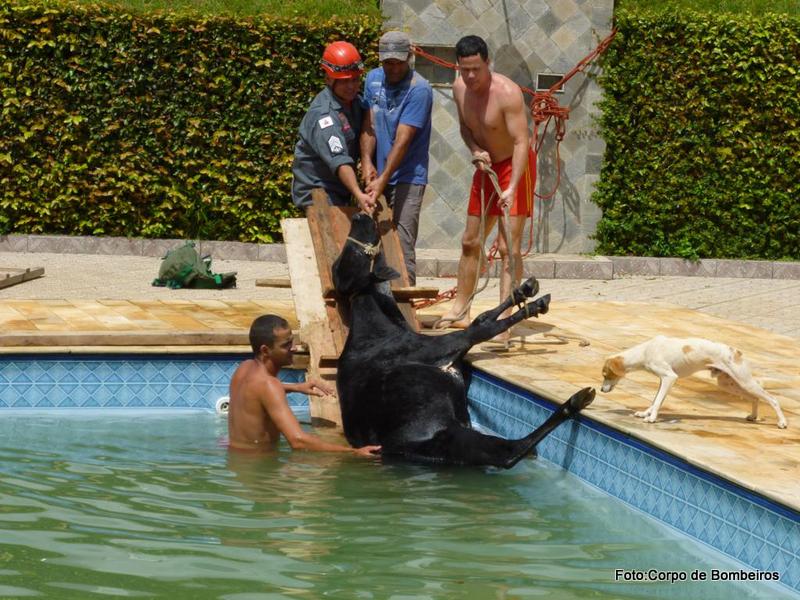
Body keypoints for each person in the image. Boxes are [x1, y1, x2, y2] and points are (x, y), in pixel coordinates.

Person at [436, 35, 534, 339]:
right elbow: (466, 129)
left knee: (508, 248)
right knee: (470, 240)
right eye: (464, 69)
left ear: (487, 63)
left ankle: (505, 316)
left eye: (476, 69)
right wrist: (474, 149)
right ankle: (460, 308)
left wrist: (512, 187)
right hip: (486, 165)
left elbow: (522, 141)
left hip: (515, 167)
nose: (470, 76)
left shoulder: (507, 93)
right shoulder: (459, 89)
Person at [228, 314, 381, 456]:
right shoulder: (270, 385)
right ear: (265, 350)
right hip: (259, 472)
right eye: (286, 345)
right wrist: (353, 452)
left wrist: (296, 387)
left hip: (237, 463)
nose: (294, 348)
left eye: (292, 341)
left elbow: (257, 392)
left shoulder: (244, 369)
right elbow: (298, 441)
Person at [360, 31, 433, 285]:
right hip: (379, 174)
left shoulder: (419, 89)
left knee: (401, 243)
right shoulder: (372, 79)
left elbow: (403, 141)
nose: (392, 68)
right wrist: (367, 162)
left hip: (408, 177)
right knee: (371, 240)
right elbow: (369, 125)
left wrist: (382, 180)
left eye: (398, 63)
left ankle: (404, 312)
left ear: (409, 58)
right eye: (387, 62)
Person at [291, 41, 376, 214]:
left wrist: (367, 162)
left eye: (355, 79)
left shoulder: (354, 102)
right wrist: (358, 194)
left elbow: (368, 119)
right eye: (344, 81)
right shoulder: (325, 116)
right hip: (317, 193)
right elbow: (340, 161)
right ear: (328, 79)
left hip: (338, 191)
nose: (351, 86)